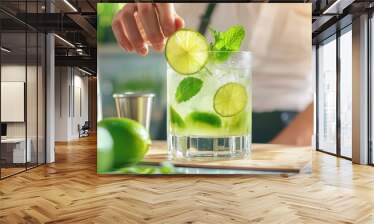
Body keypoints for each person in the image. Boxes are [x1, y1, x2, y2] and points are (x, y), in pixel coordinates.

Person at [111, 3, 313, 146]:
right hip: (184, 127)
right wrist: (142, 14)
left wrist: (289, 146)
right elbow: (154, 15)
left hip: (290, 132)